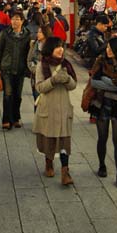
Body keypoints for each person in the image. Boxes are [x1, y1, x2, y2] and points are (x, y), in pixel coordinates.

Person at [88, 36, 117, 188]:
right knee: (102, 137)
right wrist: (114, 83)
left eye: (110, 48)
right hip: (102, 103)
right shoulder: (100, 61)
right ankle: (102, 164)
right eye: (107, 48)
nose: (107, 50)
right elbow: (93, 81)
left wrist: (106, 81)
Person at [33, 37, 76, 186]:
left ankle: (65, 172)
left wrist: (66, 79)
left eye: (62, 47)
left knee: (65, 141)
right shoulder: (42, 65)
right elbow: (39, 88)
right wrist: (53, 80)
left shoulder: (66, 65)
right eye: (57, 47)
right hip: (48, 108)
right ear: (50, 49)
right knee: (49, 140)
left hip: (64, 108)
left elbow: (73, 85)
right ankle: (49, 163)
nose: (61, 49)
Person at [0, 11, 32, 130]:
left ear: (22, 21)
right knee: (8, 94)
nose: (14, 21)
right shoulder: (5, 33)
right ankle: (6, 120)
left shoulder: (27, 34)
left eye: (17, 19)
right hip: (7, 68)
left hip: (20, 69)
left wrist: (28, 68)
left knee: (18, 95)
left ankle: (16, 118)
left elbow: (28, 53)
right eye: (13, 19)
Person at [26, 24, 52, 102]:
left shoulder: (52, 46)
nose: (38, 34)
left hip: (48, 78)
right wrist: (36, 69)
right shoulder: (34, 45)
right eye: (38, 32)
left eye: (40, 32)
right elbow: (29, 60)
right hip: (36, 77)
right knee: (37, 100)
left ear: (46, 33)